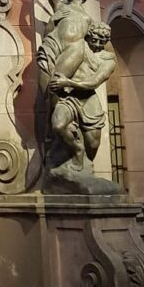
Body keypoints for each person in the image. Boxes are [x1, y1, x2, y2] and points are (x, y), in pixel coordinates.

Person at [48, 20, 117, 173]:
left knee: (92, 146)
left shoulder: (108, 60)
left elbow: (94, 82)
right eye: (94, 40)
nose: (97, 44)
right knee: (58, 125)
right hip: (69, 98)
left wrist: (68, 82)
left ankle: (85, 168)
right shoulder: (79, 48)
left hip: (89, 102)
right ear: (88, 36)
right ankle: (77, 150)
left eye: (102, 41)